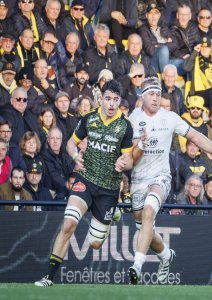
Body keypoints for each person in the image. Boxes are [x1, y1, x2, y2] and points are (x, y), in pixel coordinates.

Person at [127, 77, 212, 285]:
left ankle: (136, 266)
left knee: (149, 211)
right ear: (142, 96)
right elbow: (132, 156)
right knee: (145, 230)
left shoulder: (170, 117)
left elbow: (194, 136)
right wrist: (141, 145)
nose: (156, 98)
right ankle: (166, 255)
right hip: (138, 178)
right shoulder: (133, 118)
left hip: (161, 177)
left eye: (158, 94)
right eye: (151, 94)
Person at [34, 79, 134, 287]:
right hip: (85, 180)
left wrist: (124, 162)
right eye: (108, 99)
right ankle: (48, 277)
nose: (112, 104)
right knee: (68, 223)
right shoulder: (89, 119)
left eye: (116, 100)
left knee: (96, 243)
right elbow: (71, 143)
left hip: (108, 189)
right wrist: (75, 157)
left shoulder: (125, 126)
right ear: (100, 99)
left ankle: (112, 211)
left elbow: (130, 159)